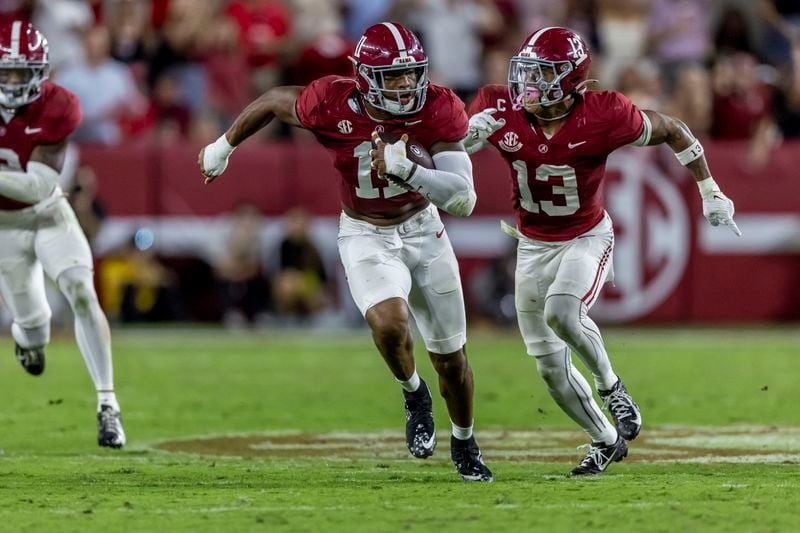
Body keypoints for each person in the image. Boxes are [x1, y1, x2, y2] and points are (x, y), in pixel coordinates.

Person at [199, 22, 492, 482]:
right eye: (393, 76)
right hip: (365, 231)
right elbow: (275, 100)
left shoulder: (437, 105)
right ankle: (414, 393)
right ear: (364, 76)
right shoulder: (331, 101)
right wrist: (224, 145)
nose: (406, 85)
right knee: (389, 325)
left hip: (423, 229)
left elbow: (463, 197)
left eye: (412, 74)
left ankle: (464, 439)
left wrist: (410, 171)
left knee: (452, 359)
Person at [465, 27, 740, 476]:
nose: (528, 83)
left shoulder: (605, 112)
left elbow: (674, 129)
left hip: (585, 235)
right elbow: (442, 148)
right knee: (550, 369)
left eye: (542, 74)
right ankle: (605, 439)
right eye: (528, 71)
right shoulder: (497, 106)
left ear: (570, 80)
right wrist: (465, 137)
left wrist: (709, 189)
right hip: (532, 244)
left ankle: (611, 386)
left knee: (562, 312)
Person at [0, 21, 125, 448]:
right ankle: (28, 342)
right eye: (6, 72)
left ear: (41, 70)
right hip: (4, 229)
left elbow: (37, 185)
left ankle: (108, 405)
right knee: (35, 327)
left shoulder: (58, 105)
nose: (14, 81)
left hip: (49, 212)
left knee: (80, 289)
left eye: (22, 71)